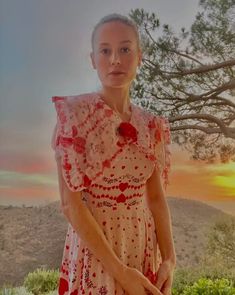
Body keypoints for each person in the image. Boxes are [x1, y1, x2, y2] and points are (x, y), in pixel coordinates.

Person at [51, 13, 176, 295]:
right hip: (98, 254)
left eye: (124, 49)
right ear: (93, 59)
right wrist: (121, 273)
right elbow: (70, 205)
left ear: (139, 56)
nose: (115, 59)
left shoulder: (152, 126)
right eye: (105, 50)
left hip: (141, 247)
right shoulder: (74, 117)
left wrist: (169, 258)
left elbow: (156, 199)